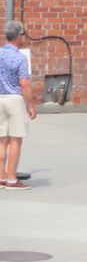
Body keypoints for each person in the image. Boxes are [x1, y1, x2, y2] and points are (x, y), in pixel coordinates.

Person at [0, 20, 36, 190]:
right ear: (19, 36)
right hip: (14, 99)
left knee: (1, 140)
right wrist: (31, 105)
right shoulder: (20, 58)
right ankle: (12, 179)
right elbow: (24, 84)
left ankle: (1, 177)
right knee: (16, 140)